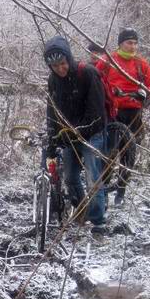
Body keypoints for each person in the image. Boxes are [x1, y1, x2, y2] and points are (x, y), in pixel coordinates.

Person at [43, 35, 108, 230]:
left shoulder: (88, 73)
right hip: (70, 134)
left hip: (92, 133)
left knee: (92, 176)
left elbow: (96, 112)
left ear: (69, 59)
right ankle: (81, 213)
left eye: (62, 63)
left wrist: (79, 131)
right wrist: (53, 135)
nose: (60, 69)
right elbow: (52, 109)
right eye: (55, 66)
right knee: (70, 177)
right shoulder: (53, 80)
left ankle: (97, 221)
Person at [96, 27, 150, 205]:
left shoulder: (141, 64)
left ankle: (121, 193)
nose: (132, 46)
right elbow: (95, 80)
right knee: (108, 153)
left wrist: (145, 92)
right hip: (112, 113)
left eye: (135, 43)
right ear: (120, 43)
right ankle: (103, 191)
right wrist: (108, 91)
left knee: (128, 154)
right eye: (129, 43)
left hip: (133, 114)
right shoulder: (108, 61)